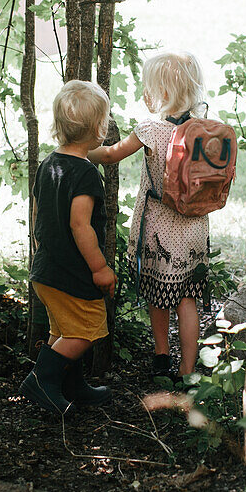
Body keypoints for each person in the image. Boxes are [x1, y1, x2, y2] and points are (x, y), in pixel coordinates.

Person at [89, 51, 209, 382]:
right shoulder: (204, 129)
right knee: (187, 299)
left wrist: (80, 151)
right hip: (195, 227)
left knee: (158, 292)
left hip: (160, 229)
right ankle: (187, 372)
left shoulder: (151, 130)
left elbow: (111, 155)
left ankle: (161, 357)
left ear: (159, 92)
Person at [20, 80, 116, 417]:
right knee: (86, 330)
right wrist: (100, 268)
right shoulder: (86, 174)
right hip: (71, 273)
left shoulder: (50, 164)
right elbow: (80, 225)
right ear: (99, 128)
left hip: (46, 270)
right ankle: (41, 381)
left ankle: (71, 385)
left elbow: (40, 211)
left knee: (62, 331)